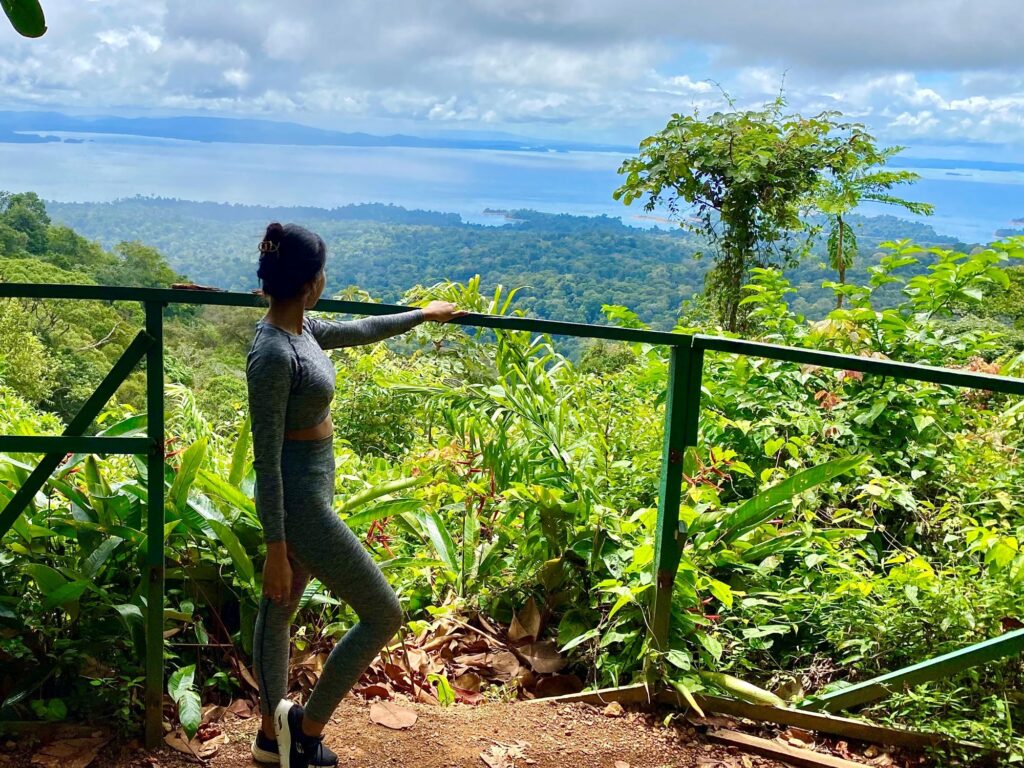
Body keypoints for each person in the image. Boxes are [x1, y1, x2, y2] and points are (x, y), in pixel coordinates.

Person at [245, 222, 465, 768]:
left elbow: (364, 328)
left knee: (281, 609)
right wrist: (276, 544)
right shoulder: (273, 352)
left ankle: (272, 741)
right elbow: (266, 458)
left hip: (313, 490)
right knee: (382, 612)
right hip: (299, 503)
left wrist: (421, 314)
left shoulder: (303, 330)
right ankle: (304, 728)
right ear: (311, 283)